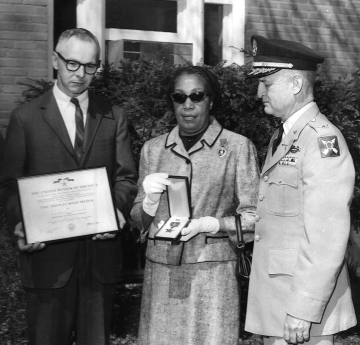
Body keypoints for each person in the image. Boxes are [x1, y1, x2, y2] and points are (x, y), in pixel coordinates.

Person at [1, 28, 138, 345]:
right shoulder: (25, 118)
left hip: (99, 260)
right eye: (72, 63)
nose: (80, 74)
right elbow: (9, 184)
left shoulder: (113, 116)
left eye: (90, 66)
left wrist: (114, 212)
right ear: (55, 60)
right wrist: (22, 223)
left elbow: (126, 177)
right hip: (48, 261)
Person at [131, 65, 259, 345]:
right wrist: (150, 202)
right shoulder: (153, 150)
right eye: (179, 97)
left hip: (211, 275)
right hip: (161, 273)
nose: (187, 105)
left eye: (197, 96)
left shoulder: (237, 148)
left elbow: (255, 218)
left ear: (211, 100)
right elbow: (138, 223)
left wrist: (214, 224)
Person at [244, 35, 357, 345]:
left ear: (295, 83)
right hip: (279, 301)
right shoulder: (285, 137)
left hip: (302, 310)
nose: (258, 93)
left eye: (266, 85)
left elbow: (326, 236)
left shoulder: (322, 142)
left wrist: (303, 309)